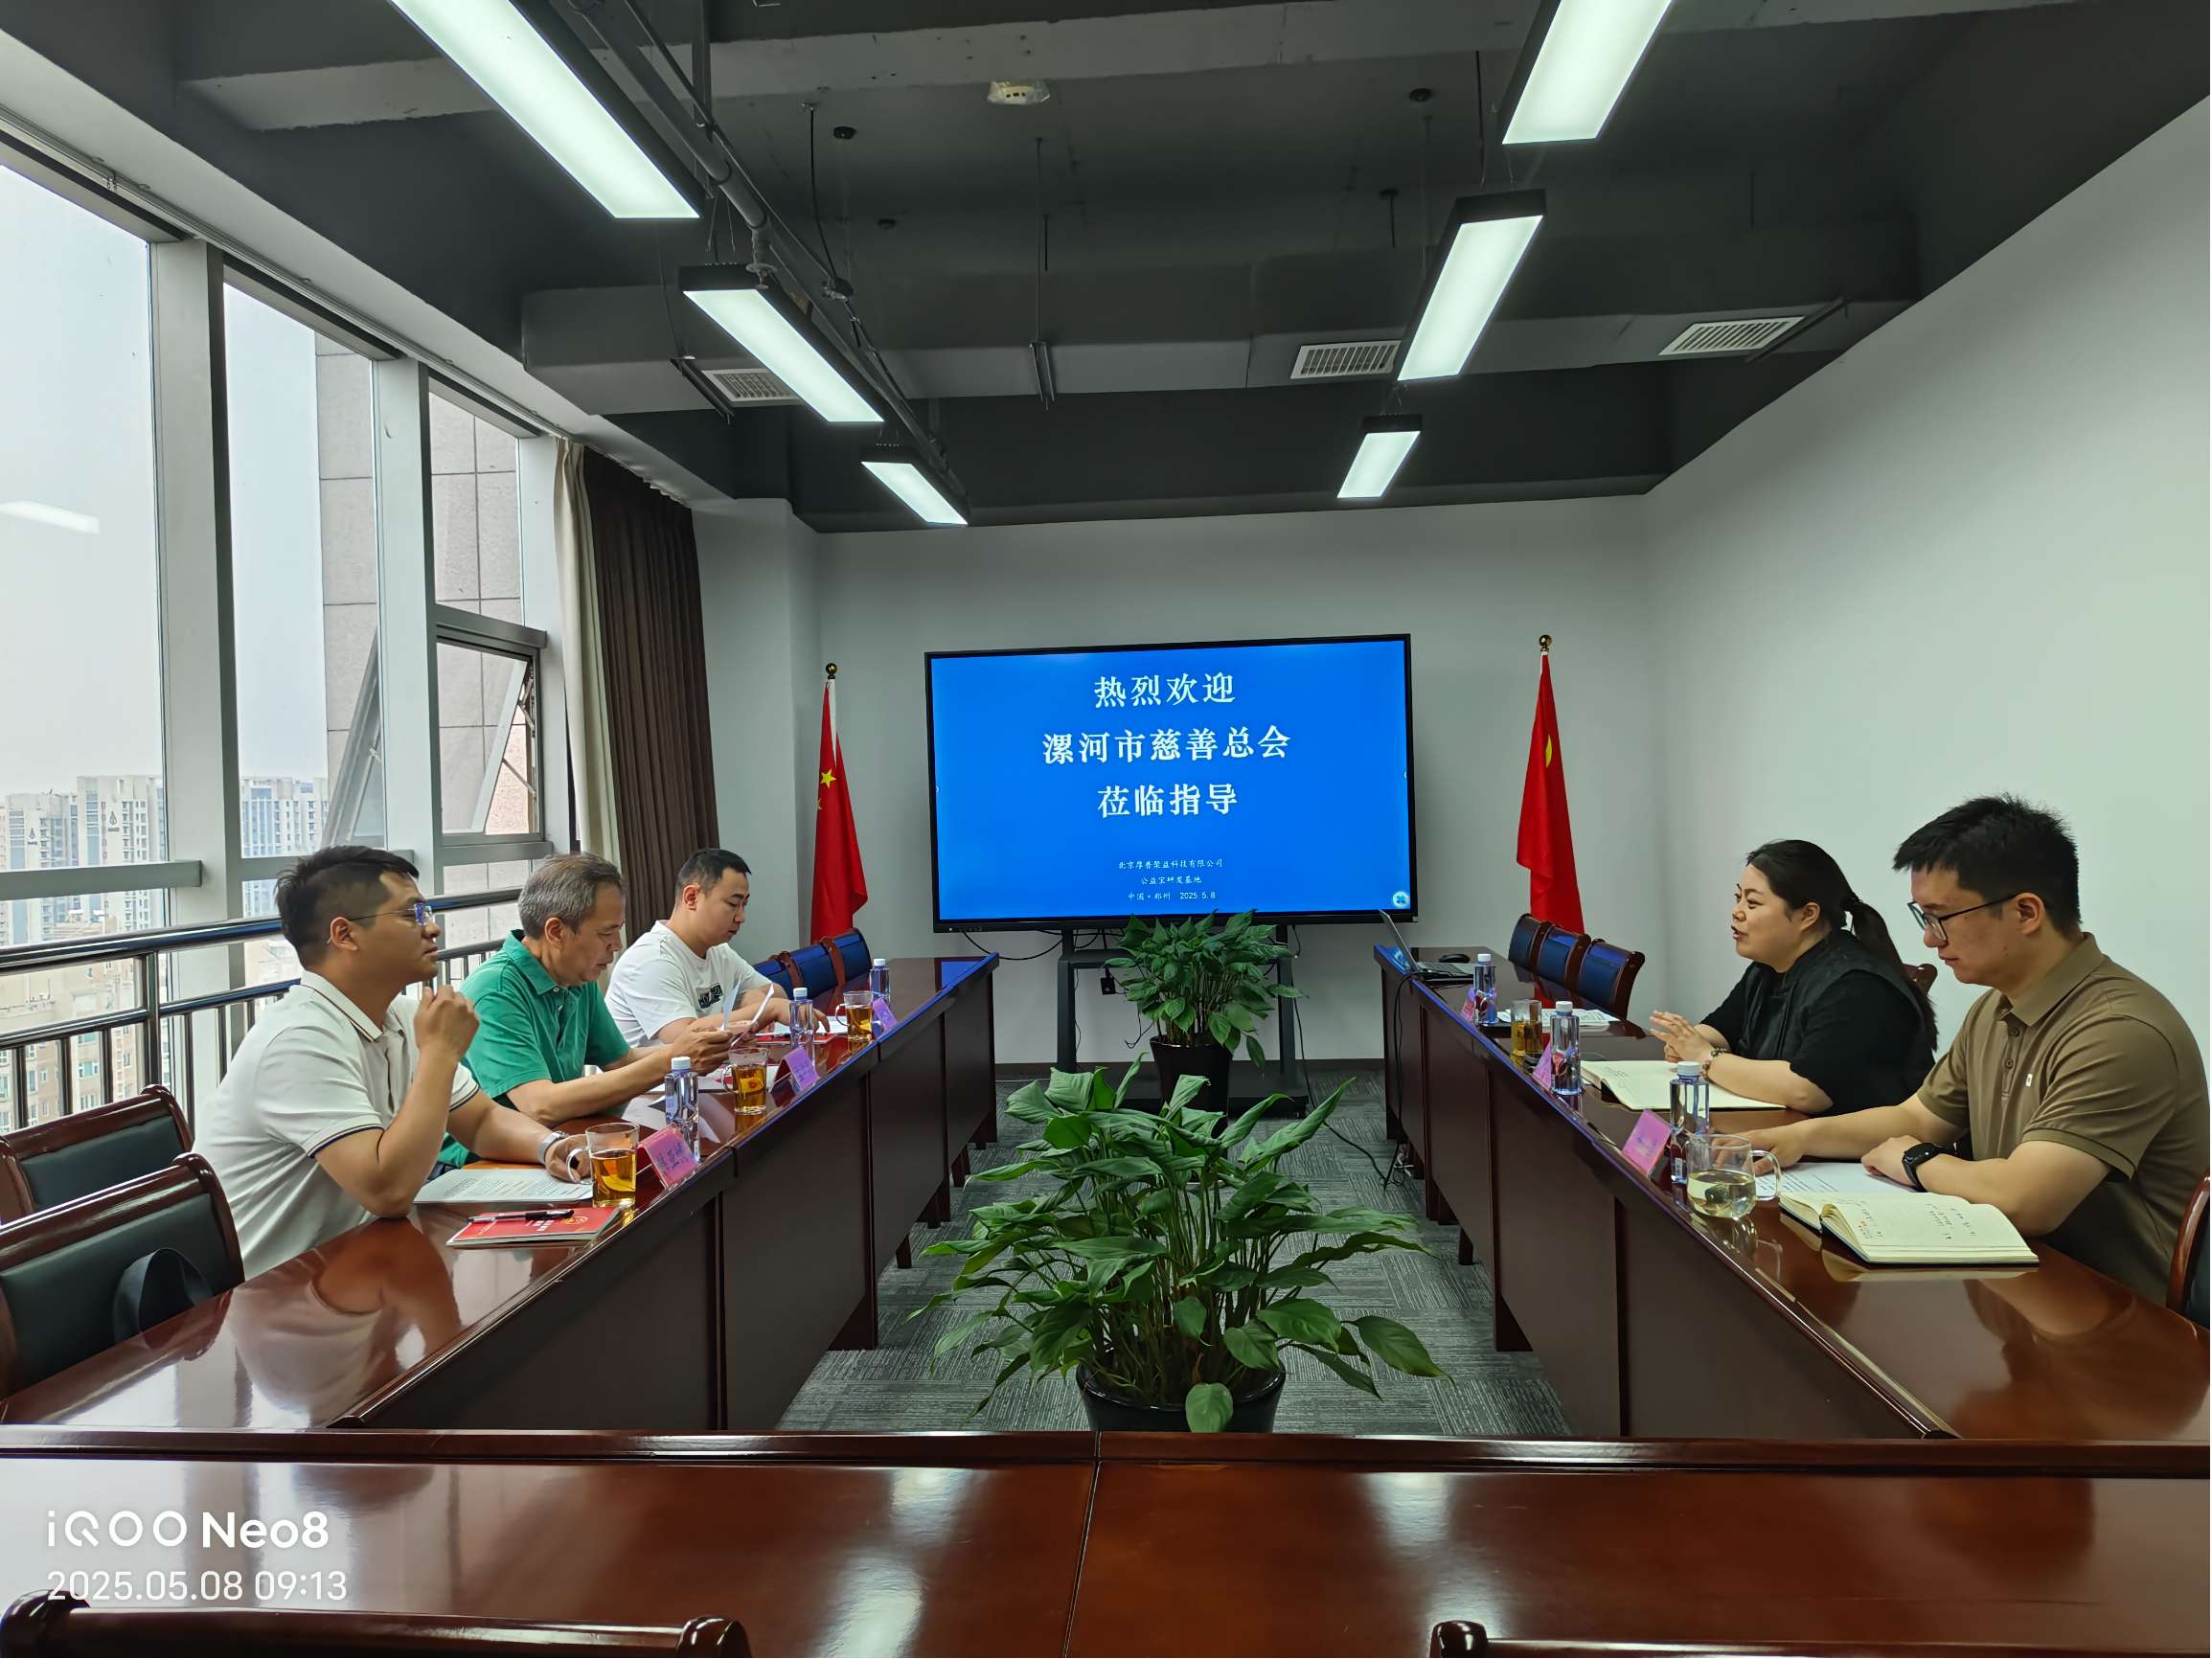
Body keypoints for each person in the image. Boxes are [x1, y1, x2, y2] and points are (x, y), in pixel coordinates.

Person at [1746, 797, 2208, 1303]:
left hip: (2114, 1312)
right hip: (2011, 1279)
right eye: (1923, 916)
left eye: (1941, 917)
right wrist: (1799, 1137)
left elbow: (2026, 1200)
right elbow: (1919, 1117)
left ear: (2026, 912)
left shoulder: (2119, 1030)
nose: (1929, 940)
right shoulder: (1996, 1007)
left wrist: (1916, 1160)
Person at [197, 848, 593, 1279]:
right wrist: (440, 1053)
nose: (432, 927)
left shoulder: (401, 1015)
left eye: (427, 911)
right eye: (411, 914)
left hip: (356, 1262)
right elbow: (387, 1191)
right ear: (345, 935)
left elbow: (479, 1121)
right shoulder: (298, 1040)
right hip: (275, 1289)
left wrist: (550, 1146)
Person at [1647, 839, 1935, 1113]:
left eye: (1752, 903)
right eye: (1738, 898)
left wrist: (1704, 1057)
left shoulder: (1858, 986)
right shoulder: (1768, 966)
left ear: (1807, 915)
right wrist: (1688, 1042)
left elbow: (1807, 1089)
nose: (1737, 912)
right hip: (1786, 1131)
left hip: (1858, 1146)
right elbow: (1722, 1028)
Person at [458, 853, 728, 1139]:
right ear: (556, 932)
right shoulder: (495, 991)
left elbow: (622, 1060)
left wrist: (697, 1048)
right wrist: (671, 1058)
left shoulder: (575, 976)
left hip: (561, 1139)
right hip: (487, 1156)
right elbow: (539, 1105)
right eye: (606, 933)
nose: (617, 945)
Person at [605, 848, 794, 1048]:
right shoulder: (650, 959)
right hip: (665, 1070)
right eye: (733, 904)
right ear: (691, 897)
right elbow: (687, 1039)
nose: (741, 917)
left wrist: (755, 997)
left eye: (744, 905)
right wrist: (768, 1009)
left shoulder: (718, 952)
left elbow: (777, 994)